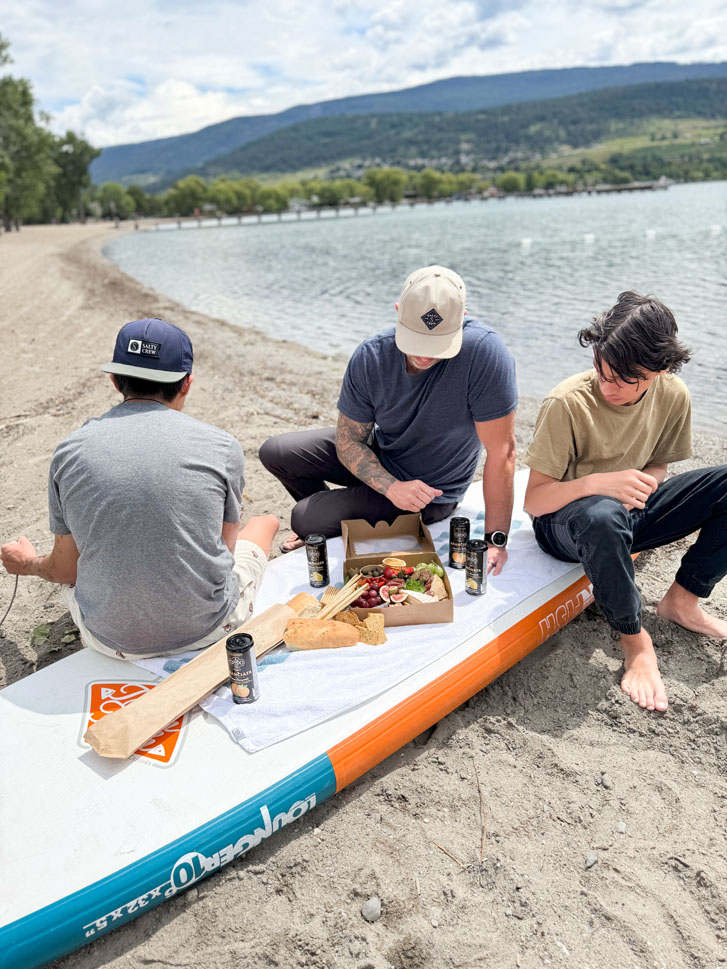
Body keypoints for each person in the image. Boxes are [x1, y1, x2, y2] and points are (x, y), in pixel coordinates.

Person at [1, 317, 279, 660]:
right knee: (265, 523)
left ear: (115, 380)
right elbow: (221, 550)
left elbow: (65, 571)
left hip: (108, 641)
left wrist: (28, 562)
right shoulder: (222, 446)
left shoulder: (70, 451)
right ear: (187, 383)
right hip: (206, 631)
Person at [523, 291, 727, 713]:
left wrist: (641, 486)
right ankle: (636, 642)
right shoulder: (567, 403)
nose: (608, 386)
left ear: (660, 370)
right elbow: (535, 501)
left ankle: (682, 601)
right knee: (603, 515)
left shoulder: (673, 394)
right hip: (567, 523)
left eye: (624, 379)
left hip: (627, 513)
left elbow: (655, 465)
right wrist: (598, 483)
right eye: (602, 371)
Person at [260, 265, 518, 575]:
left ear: (463, 316)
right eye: (416, 342)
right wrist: (390, 486)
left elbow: (502, 452)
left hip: (431, 493)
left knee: (304, 518)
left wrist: (495, 540)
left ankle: (328, 517)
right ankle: (338, 514)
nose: (424, 356)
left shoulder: (485, 353)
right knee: (276, 451)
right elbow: (349, 441)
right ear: (398, 311)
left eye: (437, 345)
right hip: (385, 460)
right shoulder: (371, 356)